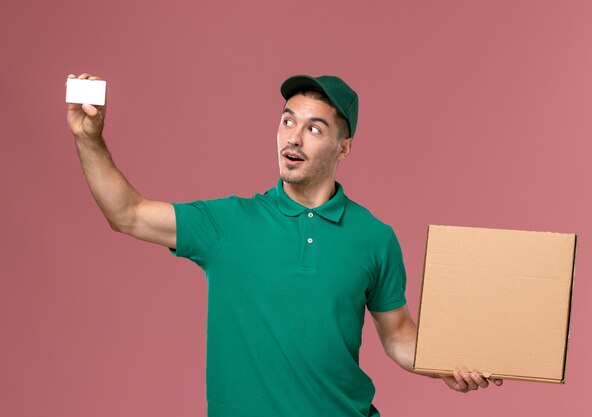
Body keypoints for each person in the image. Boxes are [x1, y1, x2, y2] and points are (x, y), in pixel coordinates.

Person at [66, 72, 502, 417]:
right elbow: (128, 213)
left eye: (314, 128)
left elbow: (399, 334)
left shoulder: (374, 237)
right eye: (288, 120)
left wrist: (446, 363)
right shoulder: (228, 223)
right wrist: (89, 138)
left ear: (343, 147)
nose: (293, 137)